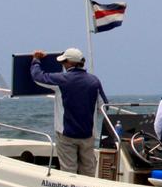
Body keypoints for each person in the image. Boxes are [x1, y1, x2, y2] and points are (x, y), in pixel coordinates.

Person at [31, 48, 108, 176]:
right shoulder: (94, 81)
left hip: (66, 134)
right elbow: (104, 107)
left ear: (69, 63)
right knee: (88, 170)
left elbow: (38, 77)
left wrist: (36, 60)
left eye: (63, 62)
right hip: (88, 134)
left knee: (69, 171)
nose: (62, 64)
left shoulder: (61, 80)